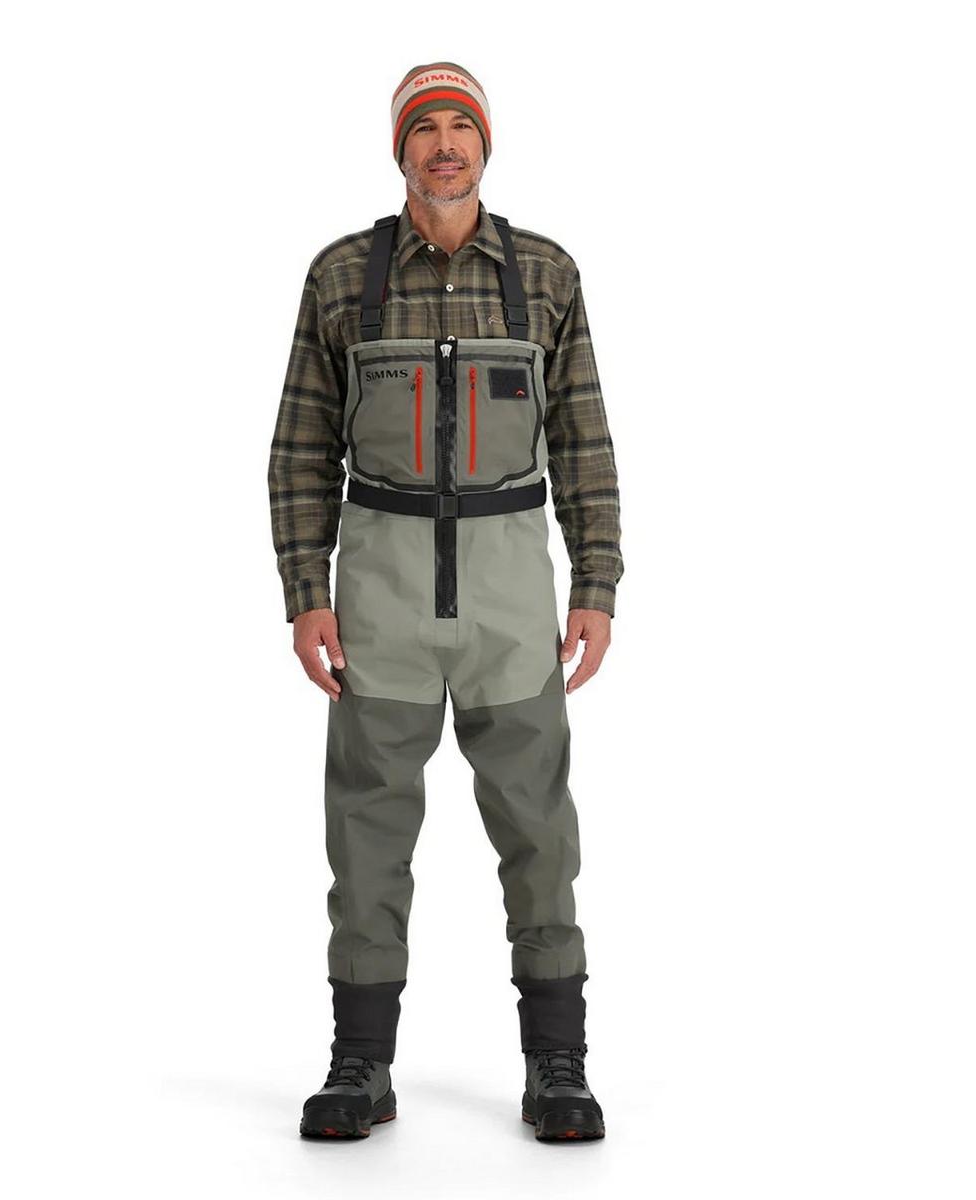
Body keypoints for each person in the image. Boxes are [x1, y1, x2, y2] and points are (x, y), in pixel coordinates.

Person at [268, 61, 624, 1141]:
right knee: (366, 837)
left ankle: (558, 1066)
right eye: (423, 127)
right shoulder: (342, 275)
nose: (444, 145)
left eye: (460, 124)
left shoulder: (545, 273)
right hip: (379, 602)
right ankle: (360, 1066)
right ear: (400, 149)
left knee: (539, 833)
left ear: (485, 143)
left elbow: (584, 439)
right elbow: (301, 446)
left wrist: (597, 581)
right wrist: (305, 591)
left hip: (512, 603)